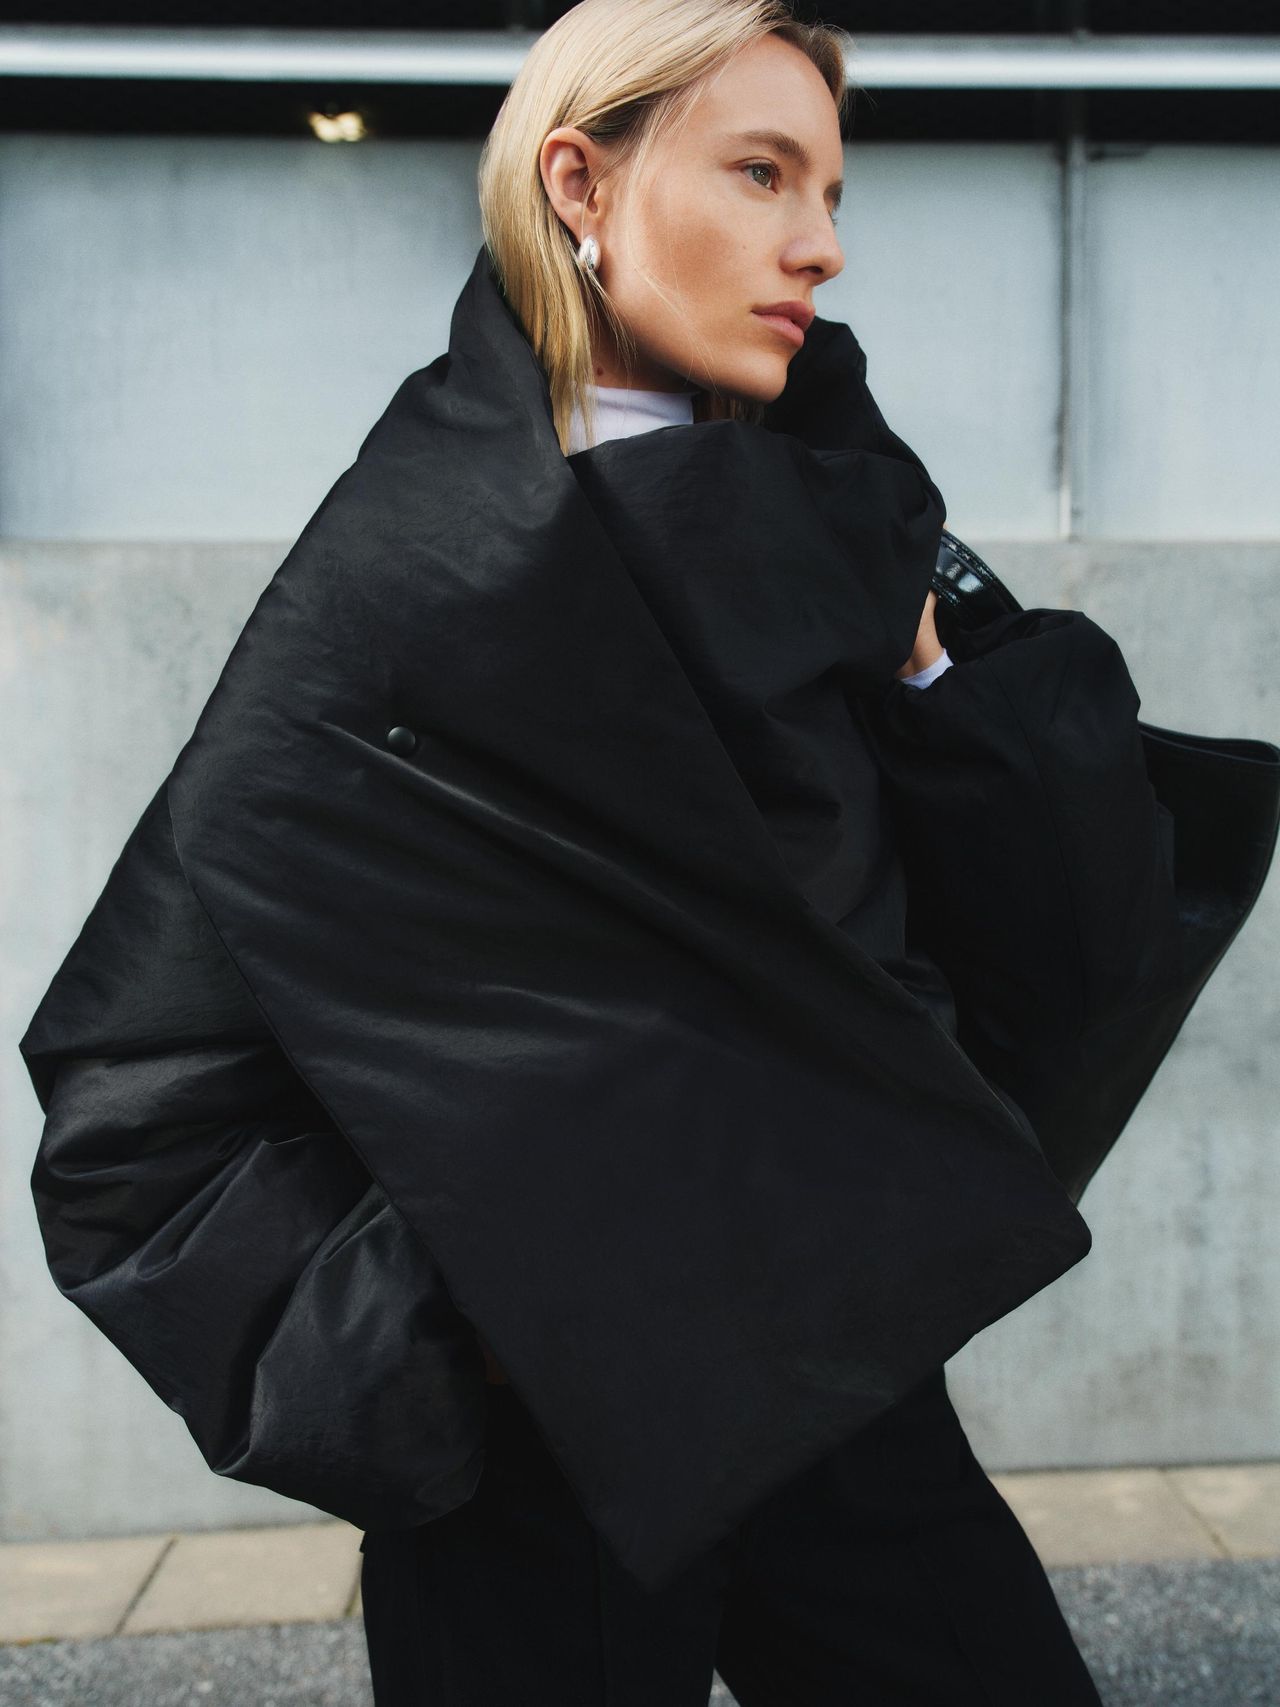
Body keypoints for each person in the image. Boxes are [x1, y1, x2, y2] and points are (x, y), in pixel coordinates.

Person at [357, 2, 1106, 1701]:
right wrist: (448, 1316)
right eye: (763, 173)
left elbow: (1042, 924)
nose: (820, 244)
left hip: (836, 1374)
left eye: (830, 190)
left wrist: (927, 661)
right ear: (580, 183)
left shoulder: (851, 520)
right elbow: (200, 1011)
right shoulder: (407, 563)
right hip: (537, 1430)